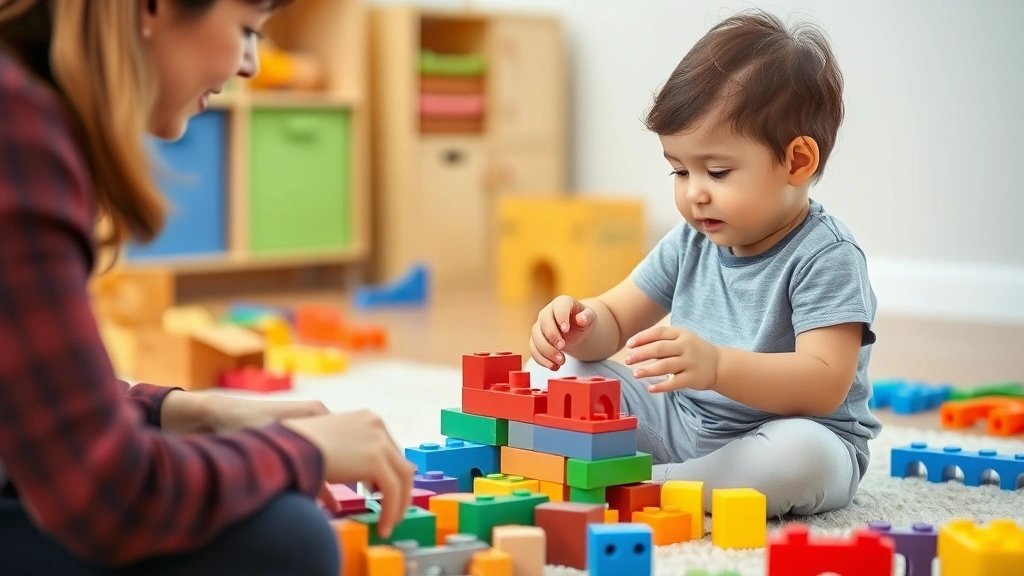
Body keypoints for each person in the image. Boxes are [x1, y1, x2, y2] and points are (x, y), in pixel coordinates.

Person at [0, 1, 415, 574]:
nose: (250, 65)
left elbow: (34, 397)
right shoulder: (17, 128)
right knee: (286, 537)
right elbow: (109, 496)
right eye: (245, 30)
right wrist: (302, 451)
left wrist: (195, 412)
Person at [527, 9, 882, 518]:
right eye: (678, 170)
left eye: (716, 171)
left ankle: (653, 483)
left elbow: (824, 383)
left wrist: (717, 367)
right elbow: (616, 319)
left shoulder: (826, 256)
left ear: (797, 162)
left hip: (784, 435)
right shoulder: (692, 241)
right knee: (557, 379)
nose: (694, 193)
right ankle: (658, 475)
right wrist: (576, 325)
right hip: (678, 420)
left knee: (803, 458)